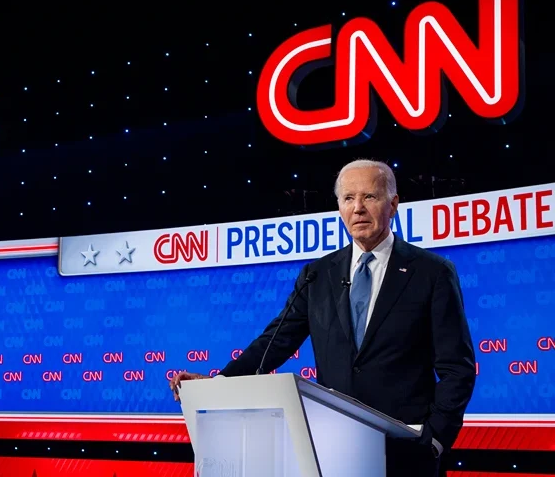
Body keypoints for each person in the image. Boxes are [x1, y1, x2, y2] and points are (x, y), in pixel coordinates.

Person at [169, 159, 476, 477]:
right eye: (348, 199)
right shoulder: (317, 275)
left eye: (369, 197)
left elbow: (457, 368)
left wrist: (436, 438)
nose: (358, 208)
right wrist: (220, 383)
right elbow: (276, 341)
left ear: (393, 204)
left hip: (407, 448)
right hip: (334, 448)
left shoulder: (431, 272)